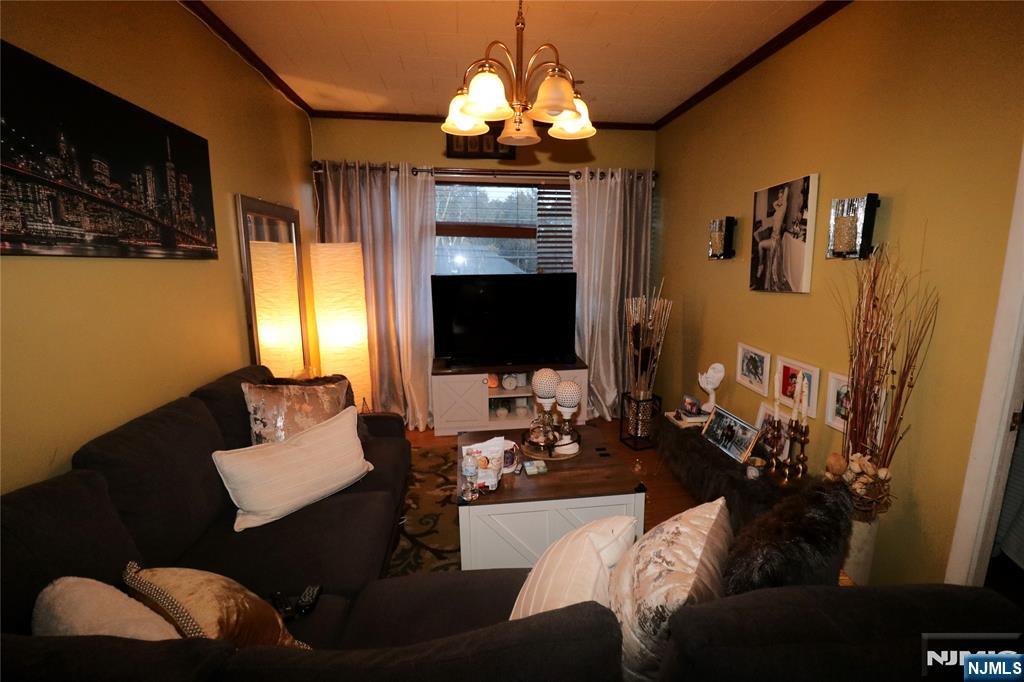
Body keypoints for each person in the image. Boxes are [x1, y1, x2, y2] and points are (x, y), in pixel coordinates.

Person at [756, 185, 789, 280]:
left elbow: (786, 192)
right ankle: (761, 266)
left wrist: (783, 195)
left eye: (782, 197)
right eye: (778, 196)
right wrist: (779, 199)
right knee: (762, 247)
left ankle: (760, 266)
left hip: (776, 240)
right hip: (772, 237)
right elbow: (774, 203)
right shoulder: (777, 209)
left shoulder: (783, 209)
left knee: (760, 245)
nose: (780, 198)